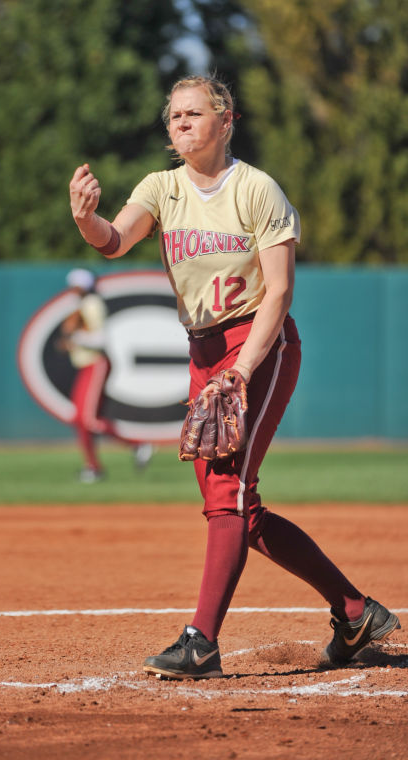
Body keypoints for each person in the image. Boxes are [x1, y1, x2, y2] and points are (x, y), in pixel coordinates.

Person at [69, 75, 400, 677]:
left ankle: (201, 641)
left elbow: (279, 291)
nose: (183, 124)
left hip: (259, 347)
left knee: (227, 493)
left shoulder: (255, 189)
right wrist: (87, 219)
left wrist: (243, 371)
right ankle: (356, 613)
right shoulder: (161, 188)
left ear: (226, 120)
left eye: (195, 113)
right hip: (203, 354)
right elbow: (115, 242)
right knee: (237, 509)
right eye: (174, 117)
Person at [60, 267, 153, 483]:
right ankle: (92, 467)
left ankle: (137, 444)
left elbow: (100, 340)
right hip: (87, 365)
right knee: (80, 420)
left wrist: (75, 338)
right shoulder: (83, 304)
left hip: (96, 363)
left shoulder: (91, 304)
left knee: (88, 419)